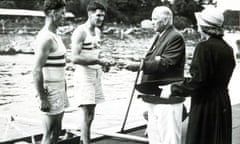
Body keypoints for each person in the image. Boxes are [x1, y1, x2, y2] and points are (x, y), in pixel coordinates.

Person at [170, 7, 236, 144]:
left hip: (205, 105)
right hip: (223, 102)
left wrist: (174, 88)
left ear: (203, 27)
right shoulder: (228, 49)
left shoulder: (204, 47)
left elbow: (198, 82)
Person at [123, 6, 186, 144]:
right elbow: (156, 58)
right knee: (155, 137)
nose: (152, 22)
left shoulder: (175, 36)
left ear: (165, 20)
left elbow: (165, 63)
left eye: (155, 19)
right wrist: (140, 60)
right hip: (156, 96)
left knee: (169, 138)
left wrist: (140, 66)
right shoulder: (161, 35)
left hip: (167, 97)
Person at [71, 2, 112, 144]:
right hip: (84, 75)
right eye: (98, 15)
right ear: (90, 14)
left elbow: (95, 54)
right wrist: (99, 62)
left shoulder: (98, 32)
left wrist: (103, 64)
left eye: (103, 16)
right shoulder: (80, 31)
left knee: (91, 113)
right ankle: (86, 142)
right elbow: (74, 58)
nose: (101, 19)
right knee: (86, 113)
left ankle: (84, 140)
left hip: (96, 74)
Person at [32, 0, 69, 143]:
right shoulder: (46, 38)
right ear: (53, 13)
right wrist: (42, 98)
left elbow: (59, 62)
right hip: (50, 90)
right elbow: (36, 70)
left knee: (57, 131)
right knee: (49, 133)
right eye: (62, 13)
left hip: (59, 88)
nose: (64, 16)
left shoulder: (56, 36)